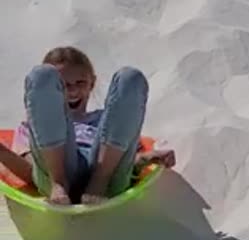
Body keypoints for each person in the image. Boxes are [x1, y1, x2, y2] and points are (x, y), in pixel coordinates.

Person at [0, 46, 175, 205]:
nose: (73, 91)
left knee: (131, 78)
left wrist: (147, 158)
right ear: (53, 91)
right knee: (41, 75)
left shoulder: (106, 119)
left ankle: (99, 181)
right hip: (56, 173)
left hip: (107, 174)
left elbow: (128, 163)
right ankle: (59, 181)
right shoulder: (35, 126)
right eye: (63, 86)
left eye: (80, 83)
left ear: (92, 83)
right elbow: (31, 172)